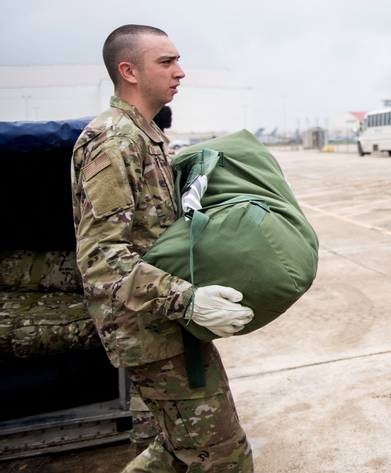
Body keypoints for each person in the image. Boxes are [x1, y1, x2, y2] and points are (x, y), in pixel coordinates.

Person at [72, 24, 254, 471]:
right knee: (223, 456)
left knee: (178, 450)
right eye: (167, 62)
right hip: (149, 330)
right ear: (129, 70)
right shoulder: (114, 140)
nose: (181, 72)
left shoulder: (144, 135)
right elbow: (101, 259)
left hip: (164, 325)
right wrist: (186, 298)